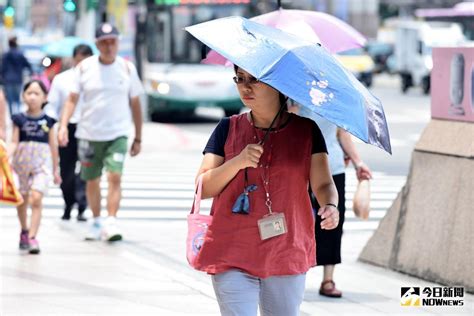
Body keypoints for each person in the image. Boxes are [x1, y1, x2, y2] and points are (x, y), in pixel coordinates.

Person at [194, 66, 340, 316]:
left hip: (286, 250)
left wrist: (330, 205)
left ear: (279, 85)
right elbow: (202, 187)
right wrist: (238, 161)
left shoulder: (307, 131)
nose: (245, 87)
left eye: (254, 80)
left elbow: (324, 184)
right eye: (240, 79)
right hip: (232, 250)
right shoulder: (227, 128)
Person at [58, 23, 144, 242]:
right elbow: (71, 99)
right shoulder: (85, 68)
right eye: (104, 42)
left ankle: (111, 221)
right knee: (92, 179)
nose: (108, 46)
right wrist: (63, 126)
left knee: (115, 176)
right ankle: (96, 221)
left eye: (112, 41)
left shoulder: (127, 68)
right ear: (97, 44)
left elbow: (135, 104)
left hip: (118, 133)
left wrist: (138, 137)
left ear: (118, 42)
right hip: (88, 134)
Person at [298, 104, 372, 298]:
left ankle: (328, 279)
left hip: (333, 166)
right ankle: (296, 274)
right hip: (301, 167)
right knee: (299, 222)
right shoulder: (293, 96)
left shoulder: (335, 100)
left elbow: (342, 135)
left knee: (332, 223)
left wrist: (359, 164)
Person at [7, 80, 61, 254]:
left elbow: (53, 146)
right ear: (23, 96)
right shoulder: (19, 119)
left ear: (45, 97)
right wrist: (6, 157)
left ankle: (32, 237)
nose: (32, 97)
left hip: (41, 166)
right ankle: (24, 229)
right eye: (29, 93)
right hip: (21, 165)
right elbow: (14, 142)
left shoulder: (49, 121)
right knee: (21, 200)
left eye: (37, 93)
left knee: (36, 198)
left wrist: (55, 169)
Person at [46, 44, 93, 221]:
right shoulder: (62, 79)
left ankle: (82, 205)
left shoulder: (97, 79)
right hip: (68, 128)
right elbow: (52, 105)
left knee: (87, 169)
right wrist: (54, 126)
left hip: (89, 129)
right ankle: (68, 202)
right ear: (74, 59)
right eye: (80, 60)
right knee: (66, 171)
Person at [1, 36, 32, 117]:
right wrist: (31, 72)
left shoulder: (5, 55)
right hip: (18, 79)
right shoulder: (20, 54)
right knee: (17, 99)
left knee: (10, 100)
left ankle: (12, 115)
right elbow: (27, 65)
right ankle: (17, 115)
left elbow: (2, 68)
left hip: (8, 80)